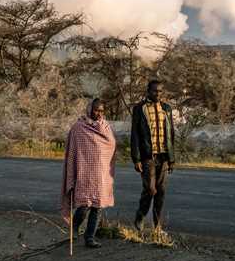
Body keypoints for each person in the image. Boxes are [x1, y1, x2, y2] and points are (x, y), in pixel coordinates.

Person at [60, 97, 117, 249]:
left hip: (101, 174)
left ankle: (90, 237)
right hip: (84, 174)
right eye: (96, 110)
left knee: (97, 207)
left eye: (102, 111)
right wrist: (73, 171)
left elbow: (111, 145)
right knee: (84, 206)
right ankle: (74, 228)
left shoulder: (105, 126)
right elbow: (72, 152)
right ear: (89, 109)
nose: (99, 114)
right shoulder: (78, 128)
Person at [130, 79, 174, 231]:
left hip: (163, 156)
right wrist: (136, 158)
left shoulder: (166, 109)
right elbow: (135, 134)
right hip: (147, 156)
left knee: (161, 191)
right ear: (148, 91)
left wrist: (171, 158)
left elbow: (170, 134)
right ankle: (140, 216)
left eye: (160, 91)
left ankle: (157, 225)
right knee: (150, 189)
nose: (158, 94)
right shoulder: (139, 108)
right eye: (155, 91)